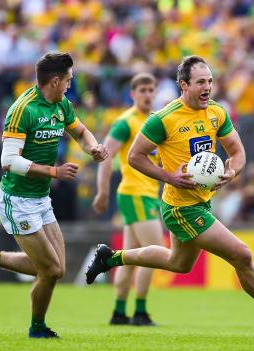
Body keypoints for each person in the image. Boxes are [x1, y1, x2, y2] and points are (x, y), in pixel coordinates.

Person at [86, 55, 254, 336]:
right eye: (200, 82)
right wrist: (170, 177)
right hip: (180, 208)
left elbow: (237, 152)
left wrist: (231, 172)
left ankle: (111, 258)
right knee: (241, 255)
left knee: (178, 264)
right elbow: (135, 156)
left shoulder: (216, 112)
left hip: (202, 203)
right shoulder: (164, 119)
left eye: (210, 80)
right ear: (184, 85)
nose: (208, 86)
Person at [0, 52, 108, 339]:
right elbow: (8, 161)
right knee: (49, 271)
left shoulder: (61, 104)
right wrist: (54, 172)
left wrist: (94, 148)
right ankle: (37, 328)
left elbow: (82, 132)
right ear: (55, 80)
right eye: (69, 80)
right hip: (17, 200)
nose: (71, 85)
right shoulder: (23, 109)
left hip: (40, 198)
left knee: (56, 268)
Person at [92, 73, 164, 326]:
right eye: (142, 90)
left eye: (150, 90)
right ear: (132, 94)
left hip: (146, 195)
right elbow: (105, 154)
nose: (147, 94)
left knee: (131, 257)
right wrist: (102, 191)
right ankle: (141, 312)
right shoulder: (126, 122)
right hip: (135, 193)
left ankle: (119, 312)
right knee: (156, 253)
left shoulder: (155, 121)